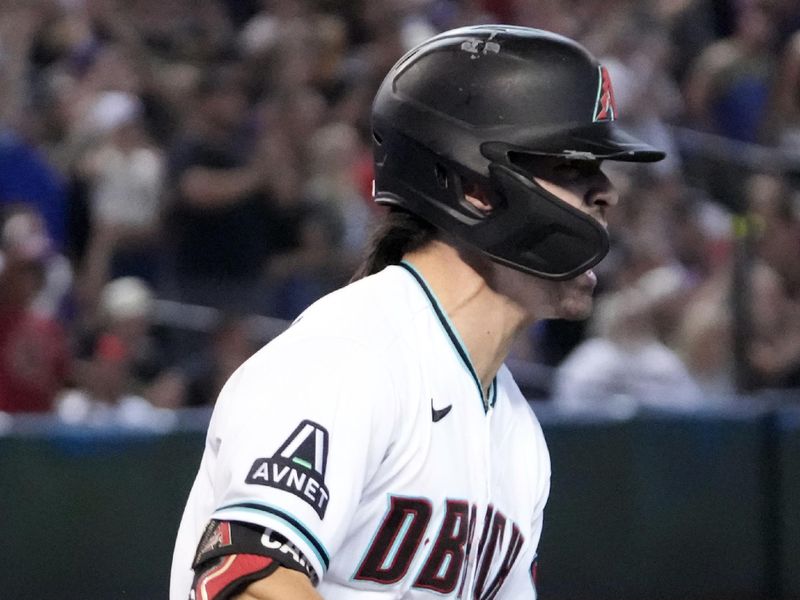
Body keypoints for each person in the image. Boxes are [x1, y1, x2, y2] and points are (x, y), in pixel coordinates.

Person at [170, 25, 664, 600]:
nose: (607, 194)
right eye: (574, 168)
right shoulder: (349, 357)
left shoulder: (518, 432)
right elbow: (242, 582)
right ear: (476, 187)